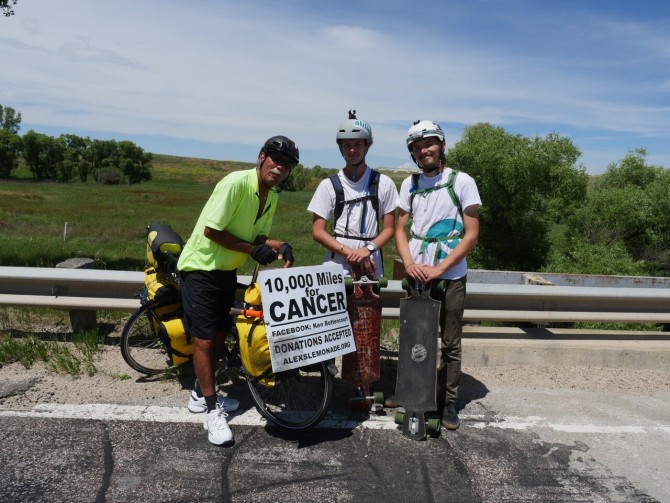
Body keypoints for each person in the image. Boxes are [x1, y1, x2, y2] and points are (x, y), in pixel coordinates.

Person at [177, 135, 299, 446]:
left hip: (225, 271)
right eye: (275, 159)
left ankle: (199, 395)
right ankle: (211, 410)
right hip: (200, 268)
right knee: (205, 340)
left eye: (286, 165)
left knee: (219, 336)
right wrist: (251, 249)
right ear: (262, 157)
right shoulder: (235, 183)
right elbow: (211, 230)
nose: (280, 167)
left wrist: (278, 245)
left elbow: (257, 238)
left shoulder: (270, 196)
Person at [395, 120, 481, 430]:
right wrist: (408, 263)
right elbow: (400, 228)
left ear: (441, 145)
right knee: (414, 337)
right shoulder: (410, 184)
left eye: (428, 144)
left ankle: (449, 401)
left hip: (451, 275)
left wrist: (440, 269)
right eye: (417, 147)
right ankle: (411, 391)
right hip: (418, 274)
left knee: (450, 341)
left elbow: (471, 235)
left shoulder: (462, 181)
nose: (423, 150)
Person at [307, 110, 398, 279]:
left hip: (371, 261)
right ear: (341, 147)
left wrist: (367, 250)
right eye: (347, 145)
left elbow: (389, 228)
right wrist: (351, 252)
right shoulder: (328, 185)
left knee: (370, 305)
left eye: (358, 145)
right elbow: (318, 231)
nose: (352, 150)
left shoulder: (384, 183)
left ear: (367, 146)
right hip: (336, 263)